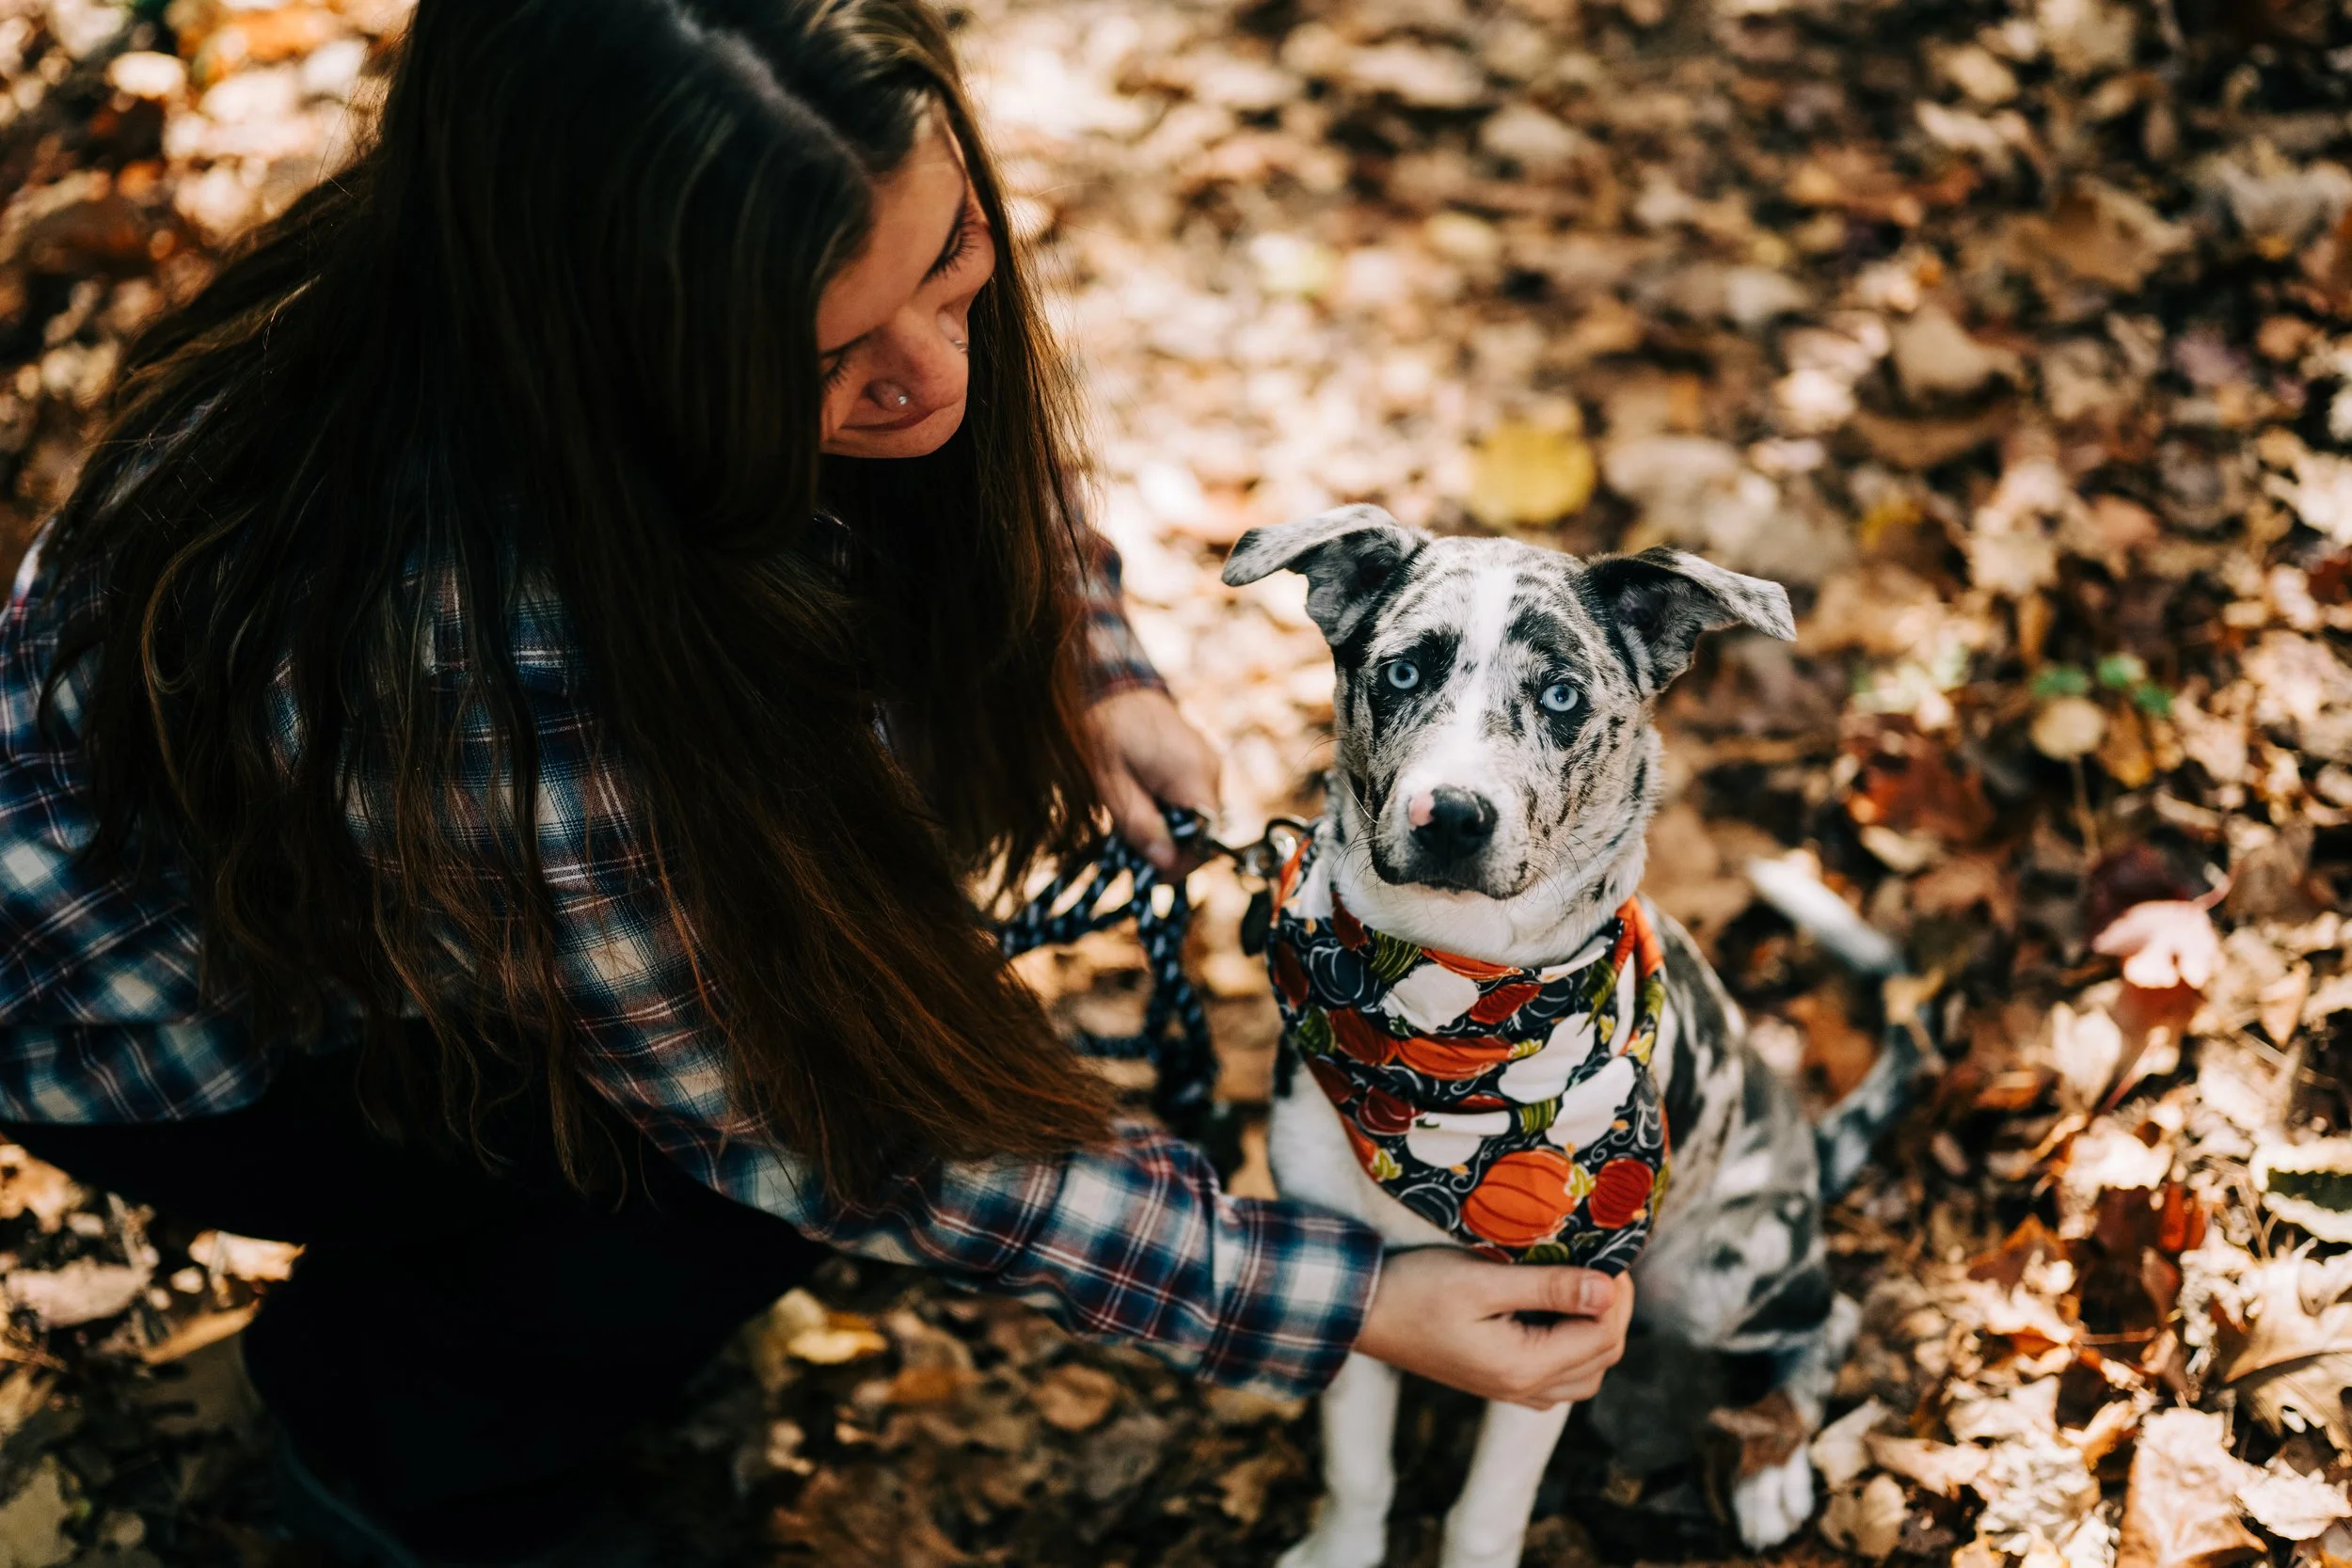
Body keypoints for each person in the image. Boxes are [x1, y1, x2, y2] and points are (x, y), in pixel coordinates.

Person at [0, 1, 1635, 1562]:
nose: (936, 379)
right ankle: (390, 1445)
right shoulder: (475, 660)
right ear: (610, 353)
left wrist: (1088, 658)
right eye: (831, 361)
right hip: (175, 1035)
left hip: (437, 882)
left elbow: (944, 434)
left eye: (956, 263)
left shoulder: (751, 247)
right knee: (720, 1194)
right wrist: (1335, 1295)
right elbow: (833, 1112)